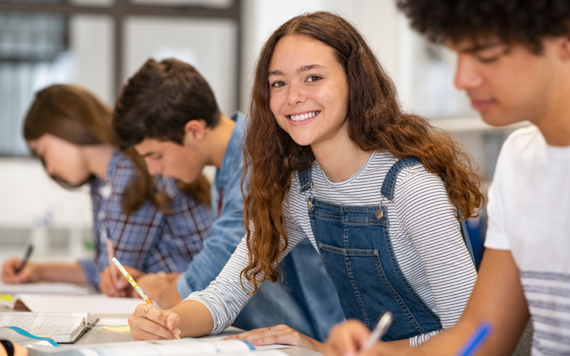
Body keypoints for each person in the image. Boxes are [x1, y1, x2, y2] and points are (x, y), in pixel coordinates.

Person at [126, 12, 486, 352]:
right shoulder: (299, 190)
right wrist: (168, 321)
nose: (293, 97)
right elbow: (224, 295)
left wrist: (327, 351)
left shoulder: (411, 187)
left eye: (313, 77)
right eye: (278, 83)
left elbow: (471, 337)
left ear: (354, 81)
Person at [323, 1, 570, 355]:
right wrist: (382, 353)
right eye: (456, 54)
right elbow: (480, 335)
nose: (461, 79)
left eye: (485, 54)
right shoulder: (520, 158)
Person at [111, 58, 345, 343]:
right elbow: (223, 282)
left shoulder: (257, 166)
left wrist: (157, 286)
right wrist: (162, 283)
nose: (153, 170)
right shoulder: (228, 165)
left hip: (313, 336)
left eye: (156, 156)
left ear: (195, 131)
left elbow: (198, 283)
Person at [1, 85, 212, 292]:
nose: (50, 170)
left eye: (44, 152)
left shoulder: (132, 172)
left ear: (65, 126)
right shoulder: (104, 181)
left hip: (197, 300)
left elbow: (114, 275)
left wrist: (41, 272)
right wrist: (36, 272)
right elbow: (105, 266)